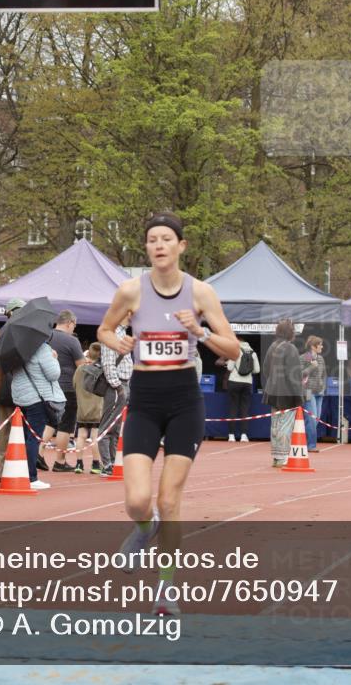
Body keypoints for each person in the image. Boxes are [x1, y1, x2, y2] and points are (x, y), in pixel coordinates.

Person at [98, 212, 240, 615]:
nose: (158, 245)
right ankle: (144, 528)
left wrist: (200, 333)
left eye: (166, 239)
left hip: (183, 402)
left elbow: (233, 349)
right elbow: (104, 330)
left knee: (169, 498)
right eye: (151, 240)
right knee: (138, 500)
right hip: (143, 399)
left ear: (181, 246)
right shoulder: (130, 291)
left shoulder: (201, 294)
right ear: (146, 248)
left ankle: (165, 591)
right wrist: (118, 341)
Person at [10, 336, 65, 490]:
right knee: (34, 438)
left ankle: (20, 473)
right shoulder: (41, 348)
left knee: (25, 437)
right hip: (37, 396)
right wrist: (54, 359)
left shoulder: (15, 349)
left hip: (20, 396)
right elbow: (54, 374)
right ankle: (31, 477)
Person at [38, 310, 85, 473]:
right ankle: (60, 460)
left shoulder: (45, 337)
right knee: (66, 426)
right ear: (69, 322)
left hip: (47, 386)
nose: (74, 328)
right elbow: (81, 365)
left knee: (50, 421)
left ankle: (39, 452)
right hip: (68, 387)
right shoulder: (72, 341)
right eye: (75, 325)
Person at [261, 319, 305, 468]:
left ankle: (276, 456)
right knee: (286, 425)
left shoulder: (272, 347)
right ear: (290, 333)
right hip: (287, 393)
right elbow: (294, 375)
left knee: (275, 424)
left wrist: (273, 381)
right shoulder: (290, 348)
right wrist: (300, 395)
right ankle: (282, 456)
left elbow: (266, 369)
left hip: (272, 391)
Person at [97, 312, 133, 476]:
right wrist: (118, 387)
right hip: (118, 385)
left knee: (116, 427)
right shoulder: (111, 334)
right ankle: (107, 464)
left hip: (123, 383)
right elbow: (108, 363)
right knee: (108, 426)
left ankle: (113, 461)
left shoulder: (121, 333)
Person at [0, 298, 25, 478]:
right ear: (12, 312)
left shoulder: (5, 331)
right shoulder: (12, 331)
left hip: (5, 388)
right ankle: (9, 471)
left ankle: (6, 470)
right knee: (12, 432)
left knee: (8, 433)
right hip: (10, 388)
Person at [216, 340, 260, 443]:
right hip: (247, 383)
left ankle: (231, 435)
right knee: (244, 408)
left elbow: (230, 367)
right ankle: (244, 435)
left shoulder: (235, 351)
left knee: (233, 407)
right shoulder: (253, 353)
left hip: (234, 382)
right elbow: (257, 370)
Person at [72, 342, 103, 474]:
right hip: (97, 407)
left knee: (81, 436)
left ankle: (78, 464)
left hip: (82, 407)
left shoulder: (80, 369)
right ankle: (96, 464)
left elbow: (74, 384)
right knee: (95, 437)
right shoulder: (101, 370)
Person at [300, 335, 327, 452]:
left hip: (319, 392)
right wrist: (311, 366)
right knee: (311, 418)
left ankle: (302, 441)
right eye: (320, 344)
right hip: (308, 391)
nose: (322, 346)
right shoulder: (305, 357)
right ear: (313, 346)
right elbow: (300, 374)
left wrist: (323, 386)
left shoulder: (321, 359)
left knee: (316, 419)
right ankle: (311, 445)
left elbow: (324, 374)